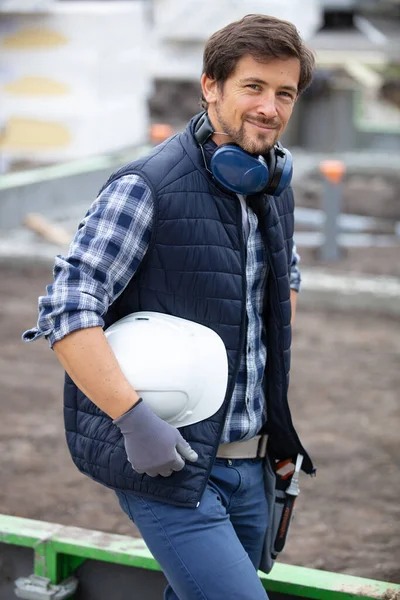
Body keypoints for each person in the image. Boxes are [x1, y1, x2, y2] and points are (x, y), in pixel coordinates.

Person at [23, 14, 316, 600]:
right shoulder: (147, 186)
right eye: (253, 87)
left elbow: (282, 295)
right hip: (172, 465)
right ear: (211, 85)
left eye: (284, 93)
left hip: (252, 463)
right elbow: (66, 308)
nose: (270, 107)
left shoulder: (271, 189)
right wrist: (133, 419)